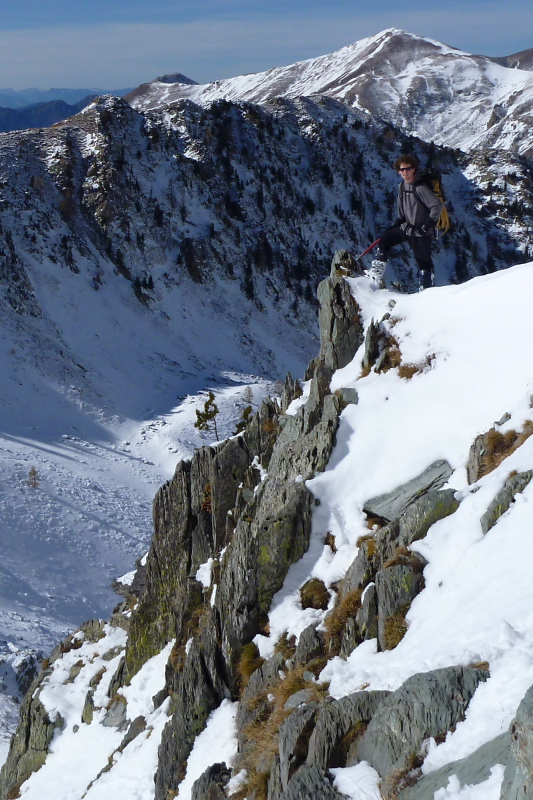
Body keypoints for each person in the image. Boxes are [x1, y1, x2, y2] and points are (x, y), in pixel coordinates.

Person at [369, 155, 443, 290]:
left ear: (413, 169)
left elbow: (436, 205)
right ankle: (376, 274)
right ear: (398, 171)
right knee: (385, 240)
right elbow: (402, 208)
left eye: (408, 169)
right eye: (402, 169)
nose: (405, 172)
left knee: (423, 262)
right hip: (407, 227)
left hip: (422, 232)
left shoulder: (420, 187)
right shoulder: (402, 186)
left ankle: (426, 291)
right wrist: (398, 222)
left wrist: (427, 225)